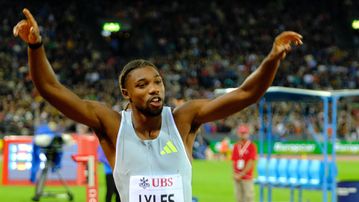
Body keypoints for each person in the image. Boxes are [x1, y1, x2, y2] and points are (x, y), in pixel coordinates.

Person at [13, 8, 302, 202]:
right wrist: (36, 47)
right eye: (142, 85)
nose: (154, 89)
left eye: (158, 82)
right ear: (126, 93)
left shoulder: (183, 119)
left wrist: (272, 59)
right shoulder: (112, 124)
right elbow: (50, 89)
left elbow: (246, 94)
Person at [231, 124, 257, 202]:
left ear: (248, 134)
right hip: (237, 177)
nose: (242, 135)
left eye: (244, 133)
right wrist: (235, 174)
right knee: (238, 198)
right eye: (241, 133)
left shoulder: (251, 146)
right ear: (238, 134)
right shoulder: (236, 146)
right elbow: (234, 161)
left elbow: (250, 162)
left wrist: (241, 174)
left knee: (248, 198)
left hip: (247, 177)